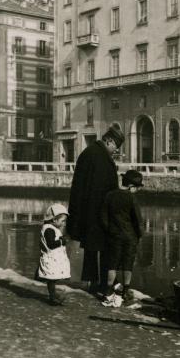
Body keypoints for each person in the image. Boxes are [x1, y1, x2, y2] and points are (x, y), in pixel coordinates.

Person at [67, 125, 125, 293]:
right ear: (110, 141)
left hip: (88, 212)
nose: (115, 151)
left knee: (91, 249)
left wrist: (76, 215)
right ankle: (105, 284)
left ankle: (91, 282)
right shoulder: (102, 157)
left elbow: (78, 187)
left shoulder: (88, 153)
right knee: (106, 249)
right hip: (101, 213)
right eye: (115, 147)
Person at [100, 170, 144, 307]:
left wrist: (110, 230)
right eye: (137, 188)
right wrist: (139, 234)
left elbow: (103, 217)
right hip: (130, 237)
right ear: (131, 186)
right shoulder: (131, 198)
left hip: (114, 236)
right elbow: (137, 220)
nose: (137, 190)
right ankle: (125, 292)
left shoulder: (110, 195)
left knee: (112, 264)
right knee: (128, 264)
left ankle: (108, 293)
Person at [35, 203, 71, 306]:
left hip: (52, 258)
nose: (64, 223)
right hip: (51, 258)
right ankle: (53, 297)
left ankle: (53, 295)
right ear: (54, 220)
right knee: (52, 278)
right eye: (62, 221)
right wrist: (62, 241)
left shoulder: (50, 228)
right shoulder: (49, 229)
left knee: (52, 278)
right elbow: (51, 244)